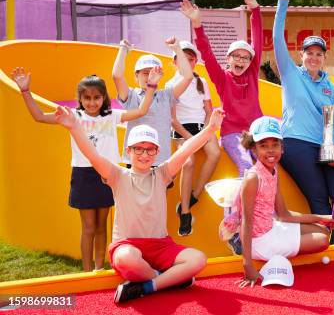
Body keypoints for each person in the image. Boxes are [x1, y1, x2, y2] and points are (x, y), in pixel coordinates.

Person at [55, 106, 225, 303]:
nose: (144, 154)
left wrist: (211, 128)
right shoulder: (117, 175)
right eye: (138, 148)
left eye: (150, 149)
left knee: (198, 259)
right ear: (128, 151)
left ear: (157, 151)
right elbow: (93, 155)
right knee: (125, 259)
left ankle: (147, 286)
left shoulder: (162, 173)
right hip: (128, 245)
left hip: (161, 246)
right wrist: (74, 127)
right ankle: (169, 279)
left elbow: (187, 148)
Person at [11, 68, 158, 272]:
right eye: (87, 98)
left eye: (97, 97)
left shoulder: (111, 116)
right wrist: (25, 90)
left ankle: (99, 268)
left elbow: (141, 111)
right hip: (83, 174)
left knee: (102, 226)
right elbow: (39, 117)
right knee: (88, 227)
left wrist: (151, 86)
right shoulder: (73, 116)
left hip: (108, 174)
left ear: (104, 97)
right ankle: (87, 271)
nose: (92, 102)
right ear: (80, 98)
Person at [273, 0, 334, 243]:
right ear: (301, 55)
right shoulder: (289, 73)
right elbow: (276, 36)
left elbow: (332, 120)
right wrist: (282, 2)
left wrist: (333, 148)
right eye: (309, 53)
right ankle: (331, 242)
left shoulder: (329, 85)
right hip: (295, 144)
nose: (313, 57)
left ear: (324, 57)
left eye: (318, 53)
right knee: (319, 195)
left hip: (324, 144)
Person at [229, 117, 334, 288]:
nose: (270, 151)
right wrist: (247, 264)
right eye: (263, 145)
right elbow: (246, 222)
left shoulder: (274, 170)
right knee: (323, 240)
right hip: (261, 242)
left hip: (273, 226)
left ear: (282, 147)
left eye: (275, 145)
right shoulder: (252, 178)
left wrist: (322, 217)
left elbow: (284, 215)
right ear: (254, 149)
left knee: (323, 230)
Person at [180, 0, 263, 177]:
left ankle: (267, 206)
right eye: (236, 56)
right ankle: (242, 206)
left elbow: (257, 42)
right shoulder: (221, 77)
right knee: (247, 167)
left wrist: (255, 10)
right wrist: (197, 23)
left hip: (256, 131)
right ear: (228, 59)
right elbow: (206, 52)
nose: (241, 60)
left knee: (269, 166)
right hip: (232, 134)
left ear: (251, 62)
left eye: (245, 57)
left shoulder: (251, 73)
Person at [166, 40, 221, 236]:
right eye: (182, 59)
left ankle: (193, 197)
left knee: (215, 153)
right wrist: (192, 139)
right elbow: (172, 120)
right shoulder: (171, 85)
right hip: (182, 130)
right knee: (188, 162)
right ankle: (186, 213)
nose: (186, 62)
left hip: (202, 126)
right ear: (174, 62)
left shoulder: (201, 82)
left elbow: (208, 110)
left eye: (190, 59)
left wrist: (206, 131)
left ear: (195, 62)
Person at [112, 38, 193, 167]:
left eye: (153, 73)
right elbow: (117, 76)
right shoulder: (131, 95)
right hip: (135, 159)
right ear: (136, 76)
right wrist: (123, 49)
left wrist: (177, 49)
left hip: (160, 160)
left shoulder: (167, 95)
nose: (149, 76)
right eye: (145, 73)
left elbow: (188, 76)